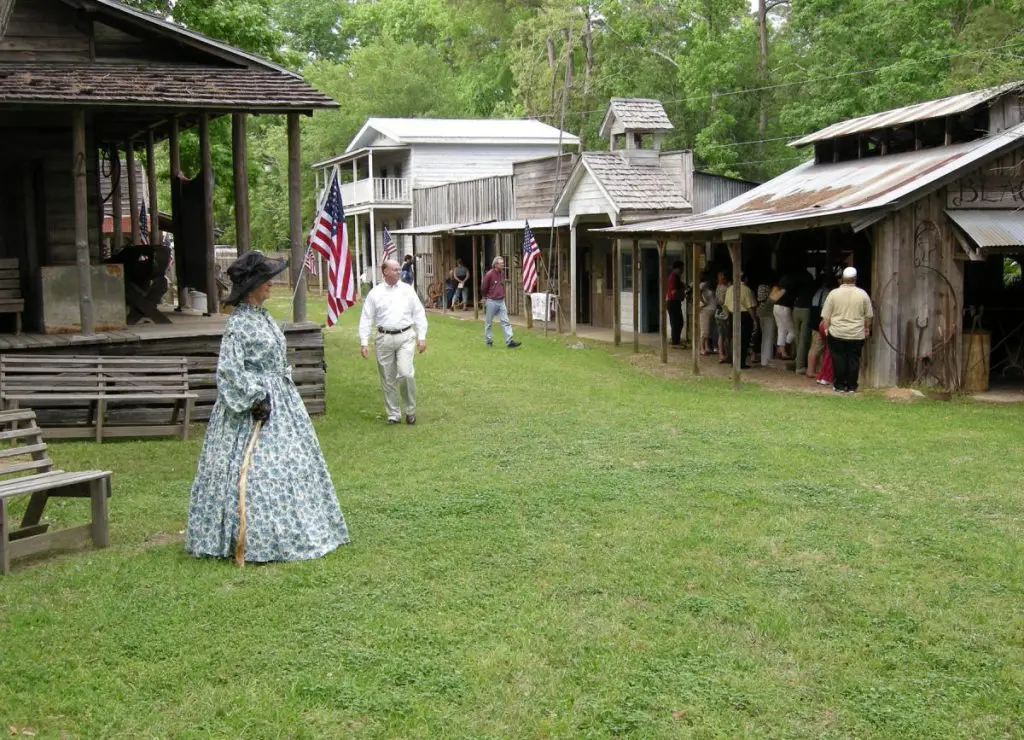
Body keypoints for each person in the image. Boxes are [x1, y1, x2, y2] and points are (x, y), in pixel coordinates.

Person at [186, 251, 349, 563]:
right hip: (255, 408)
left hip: (282, 404)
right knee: (258, 475)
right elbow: (229, 371)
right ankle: (255, 537)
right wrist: (254, 397)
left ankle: (294, 529)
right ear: (252, 287)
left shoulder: (263, 318)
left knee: (293, 466)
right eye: (266, 280)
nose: (271, 284)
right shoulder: (238, 324)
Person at [359, 259, 428, 424]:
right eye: (395, 269)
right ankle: (393, 414)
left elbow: (419, 313)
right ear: (385, 272)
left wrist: (422, 336)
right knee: (388, 378)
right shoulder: (375, 293)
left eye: (399, 269)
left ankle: (410, 411)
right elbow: (366, 318)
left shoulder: (407, 290)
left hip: (405, 336)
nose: (399, 272)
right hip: (384, 338)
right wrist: (364, 341)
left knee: (406, 374)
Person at [821, 266, 873, 393]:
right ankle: (852, 386)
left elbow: (826, 316)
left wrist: (827, 329)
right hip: (856, 333)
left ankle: (839, 385)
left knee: (838, 359)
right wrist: (866, 328)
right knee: (853, 359)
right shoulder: (863, 294)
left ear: (842, 279)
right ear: (855, 279)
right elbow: (869, 316)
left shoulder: (833, 294)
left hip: (837, 332)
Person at [481, 256, 521, 348]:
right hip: (491, 301)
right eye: (501, 263)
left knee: (505, 321)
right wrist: (487, 297)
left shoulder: (502, 273)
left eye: (503, 263)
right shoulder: (489, 274)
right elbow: (483, 288)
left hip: (501, 301)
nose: (503, 264)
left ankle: (509, 341)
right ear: (495, 264)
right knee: (489, 322)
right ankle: (489, 341)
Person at [723, 272, 757, 369]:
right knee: (743, 340)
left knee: (732, 338)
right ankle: (741, 362)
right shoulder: (746, 290)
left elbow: (725, 305)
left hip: (731, 314)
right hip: (744, 315)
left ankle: (732, 360)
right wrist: (754, 320)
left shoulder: (729, 289)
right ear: (745, 279)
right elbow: (750, 307)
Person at [666, 261, 684, 346]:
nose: (683, 270)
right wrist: (682, 293)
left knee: (679, 322)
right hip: (673, 302)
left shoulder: (676, 277)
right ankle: (675, 341)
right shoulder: (674, 277)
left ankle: (676, 340)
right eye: (681, 268)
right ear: (678, 268)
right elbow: (673, 292)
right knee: (676, 322)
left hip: (674, 302)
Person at [698, 271, 717, 356]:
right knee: (704, 330)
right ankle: (701, 348)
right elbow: (697, 293)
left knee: (709, 330)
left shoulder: (711, 286)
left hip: (712, 309)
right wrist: (703, 302)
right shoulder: (703, 285)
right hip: (705, 310)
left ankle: (707, 346)